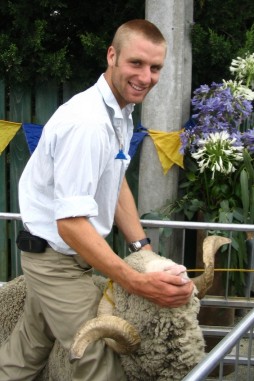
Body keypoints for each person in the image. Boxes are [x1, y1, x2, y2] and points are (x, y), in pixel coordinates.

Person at [0, 19, 193, 381]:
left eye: (155, 68)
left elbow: (115, 182)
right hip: (55, 260)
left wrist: (143, 253)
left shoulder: (120, 112)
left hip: (68, 256)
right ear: (112, 55)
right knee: (98, 360)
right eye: (136, 63)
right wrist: (134, 281)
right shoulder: (88, 123)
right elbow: (71, 223)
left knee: (26, 352)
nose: (146, 77)